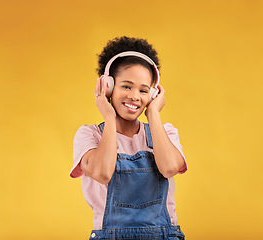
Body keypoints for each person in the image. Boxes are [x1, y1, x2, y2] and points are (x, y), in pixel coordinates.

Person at [70, 36, 187, 240]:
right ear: (107, 87)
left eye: (143, 90)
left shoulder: (165, 132)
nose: (135, 96)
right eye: (126, 86)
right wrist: (109, 116)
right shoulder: (90, 135)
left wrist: (154, 114)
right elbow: (103, 173)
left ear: (152, 95)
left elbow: (169, 168)